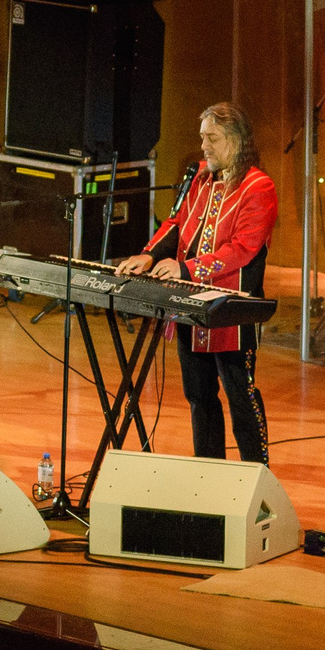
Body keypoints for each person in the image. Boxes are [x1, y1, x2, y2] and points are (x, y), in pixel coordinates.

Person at [116, 102, 277, 464]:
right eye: (202, 137)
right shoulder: (201, 177)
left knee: (240, 395)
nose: (204, 146)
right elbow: (175, 224)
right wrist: (150, 255)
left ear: (235, 141)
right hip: (190, 306)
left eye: (212, 139)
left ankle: (257, 474)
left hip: (232, 310)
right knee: (198, 396)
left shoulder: (258, 186)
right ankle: (209, 473)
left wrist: (185, 270)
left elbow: (242, 250)